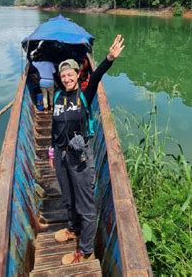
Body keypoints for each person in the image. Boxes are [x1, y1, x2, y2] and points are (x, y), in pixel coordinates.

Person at [50, 34, 125, 265]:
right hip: (60, 156)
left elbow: (98, 75)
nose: (66, 79)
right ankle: (73, 229)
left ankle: (84, 251)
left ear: (77, 74)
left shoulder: (84, 94)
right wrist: (51, 148)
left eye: (70, 74)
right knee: (68, 198)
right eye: (63, 76)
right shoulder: (58, 96)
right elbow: (56, 124)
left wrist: (109, 59)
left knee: (84, 204)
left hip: (80, 158)